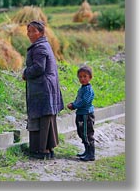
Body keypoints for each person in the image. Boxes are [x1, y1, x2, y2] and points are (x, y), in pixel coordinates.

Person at [22, 20, 64, 159]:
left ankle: (42, 150)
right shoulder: (44, 45)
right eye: (28, 31)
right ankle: (47, 149)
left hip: (43, 87)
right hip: (46, 87)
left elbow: (39, 67)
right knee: (46, 117)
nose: (29, 34)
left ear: (41, 32)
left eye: (33, 31)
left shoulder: (39, 47)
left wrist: (26, 73)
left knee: (42, 118)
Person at [67, 66, 95, 161]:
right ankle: (86, 151)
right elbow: (78, 99)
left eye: (85, 76)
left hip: (86, 115)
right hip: (80, 114)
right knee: (82, 133)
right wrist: (74, 104)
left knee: (87, 134)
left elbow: (85, 101)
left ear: (90, 77)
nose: (82, 79)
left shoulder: (88, 90)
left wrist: (74, 105)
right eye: (80, 77)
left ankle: (91, 154)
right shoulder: (82, 88)